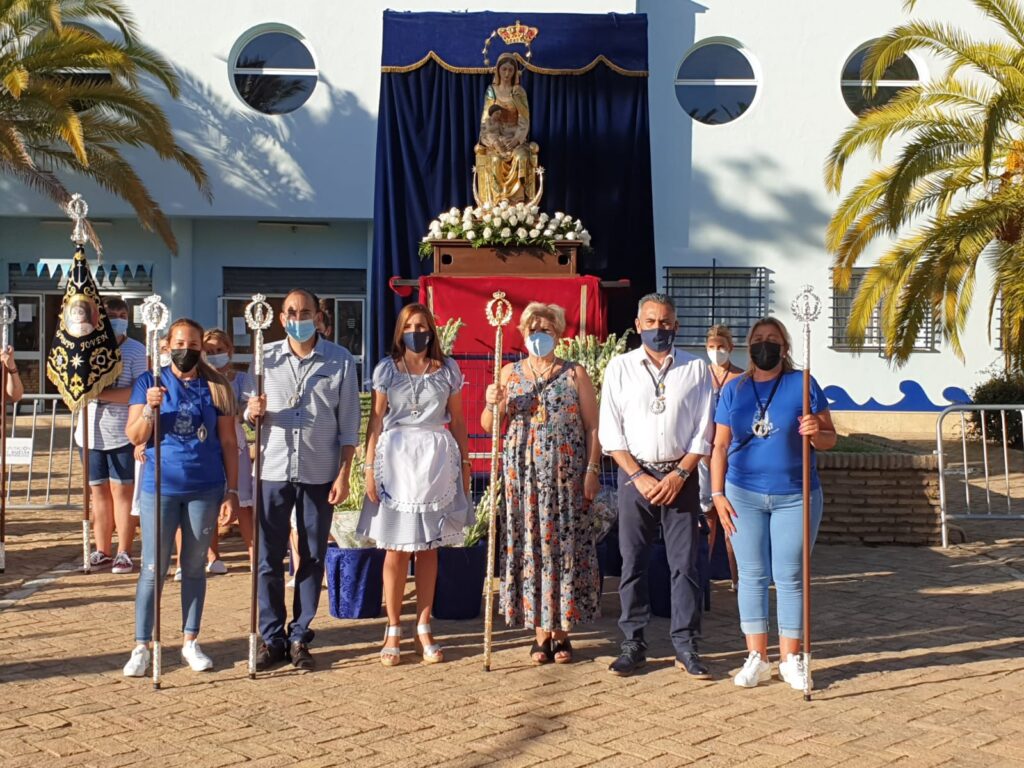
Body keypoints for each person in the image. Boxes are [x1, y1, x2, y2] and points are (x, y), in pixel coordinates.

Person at [710, 317, 836, 690]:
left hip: (795, 495)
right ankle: (757, 657)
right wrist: (717, 495)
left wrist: (817, 430)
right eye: (758, 339)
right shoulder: (735, 389)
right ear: (748, 347)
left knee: (790, 576)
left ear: (785, 347)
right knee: (751, 575)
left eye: (772, 339)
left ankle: (790, 658)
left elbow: (830, 438)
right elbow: (719, 446)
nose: (765, 344)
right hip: (742, 494)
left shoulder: (802, 384)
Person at [599, 293, 714, 678]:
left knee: (685, 565)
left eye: (665, 322)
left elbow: (704, 428)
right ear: (637, 325)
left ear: (676, 326)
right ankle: (633, 643)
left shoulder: (696, 368)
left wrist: (681, 473)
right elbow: (610, 431)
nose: (658, 328)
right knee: (633, 563)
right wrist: (639, 475)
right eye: (651, 321)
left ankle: (686, 644)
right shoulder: (620, 368)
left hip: (680, 477)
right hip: (637, 479)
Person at [246, 288, 360, 671]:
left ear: (319, 316)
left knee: (311, 555)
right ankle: (271, 636)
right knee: (267, 557)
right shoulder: (265, 359)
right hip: (273, 470)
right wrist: (253, 413)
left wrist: (344, 474)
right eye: (292, 312)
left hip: (318, 472)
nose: (298, 317)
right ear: (281, 317)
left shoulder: (340, 361)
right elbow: (249, 417)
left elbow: (349, 426)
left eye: (306, 311)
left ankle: (300, 635)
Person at [482, 302, 602, 664]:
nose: (539, 335)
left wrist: (592, 469)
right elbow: (491, 426)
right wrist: (492, 403)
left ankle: (561, 633)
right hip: (524, 480)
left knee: (563, 551)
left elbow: (593, 425)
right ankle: (539, 634)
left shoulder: (574, 373)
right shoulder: (509, 373)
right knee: (532, 550)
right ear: (521, 332)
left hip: (566, 479)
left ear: (559, 334)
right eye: (533, 329)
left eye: (547, 329)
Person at [122, 318, 240, 677]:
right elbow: (134, 435)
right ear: (165, 346)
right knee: (153, 568)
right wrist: (149, 409)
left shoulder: (216, 386)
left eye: (192, 345)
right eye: (178, 344)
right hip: (161, 486)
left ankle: (190, 640)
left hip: (204, 487)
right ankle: (143, 644)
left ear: (200, 348)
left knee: (192, 567)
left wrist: (232, 490)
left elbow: (228, 443)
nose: (185, 351)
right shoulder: (150, 383)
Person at [358, 303, 472, 666]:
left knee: (428, 548)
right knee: (395, 548)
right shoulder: (386, 371)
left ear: (432, 331)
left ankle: (424, 624)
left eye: (422, 326)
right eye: (410, 325)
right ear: (400, 331)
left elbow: (458, 422)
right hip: (395, 460)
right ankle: (393, 626)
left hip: (434, 461)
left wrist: (465, 464)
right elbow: (376, 421)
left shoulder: (447, 370)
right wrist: (368, 466)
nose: (417, 331)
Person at [76, 297, 148, 574]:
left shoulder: (135, 350)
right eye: (111, 313)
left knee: (122, 493)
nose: (117, 317)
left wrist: (98, 393)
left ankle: (124, 551)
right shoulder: (86, 348)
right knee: (99, 493)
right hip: (90, 434)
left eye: (122, 313)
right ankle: (102, 549)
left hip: (121, 433)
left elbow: (137, 392)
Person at [203, 329, 255, 570]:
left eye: (219, 351)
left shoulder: (242, 380)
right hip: (208, 444)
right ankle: (213, 556)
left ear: (230, 351)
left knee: (243, 501)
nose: (215, 356)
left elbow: (246, 411)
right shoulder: (202, 381)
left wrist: (246, 412)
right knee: (211, 499)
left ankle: (254, 553)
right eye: (209, 352)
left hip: (236, 443)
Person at [700, 324, 742, 590]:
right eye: (712, 347)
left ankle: (738, 579)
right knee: (707, 518)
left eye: (721, 346)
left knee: (733, 521)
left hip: (733, 455)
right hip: (704, 456)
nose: (717, 351)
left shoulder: (742, 378)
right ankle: (702, 578)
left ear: (731, 347)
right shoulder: (699, 376)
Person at [475, 52, 540, 205]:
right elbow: (486, 121)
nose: (507, 73)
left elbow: (524, 120)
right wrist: (495, 141)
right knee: (495, 159)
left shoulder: (519, 92)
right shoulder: (491, 91)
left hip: (515, 138)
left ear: (515, 72)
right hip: (496, 139)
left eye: (510, 70)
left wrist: (517, 140)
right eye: (503, 69)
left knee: (521, 157)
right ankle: (497, 203)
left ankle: (518, 203)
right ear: (498, 70)